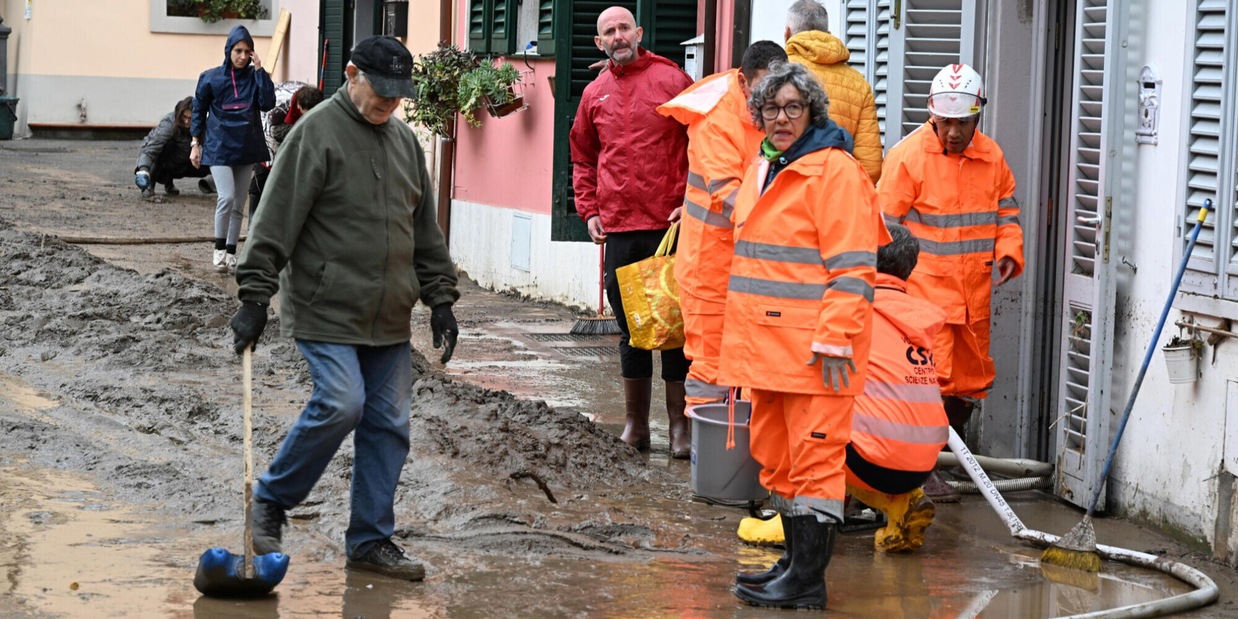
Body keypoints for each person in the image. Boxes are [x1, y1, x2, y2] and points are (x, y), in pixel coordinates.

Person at [228, 35, 460, 582]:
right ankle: (272, 499)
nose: (388, 105)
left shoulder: (405, 143)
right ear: (351, 74)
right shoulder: (315, 134)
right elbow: (274, 220)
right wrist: (255, 297)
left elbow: (424, 233)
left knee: (389, 425)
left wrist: (442, 299)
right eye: (380, 93)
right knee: (340, 402)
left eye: (397, 97)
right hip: (325, 306)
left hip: (389, 316)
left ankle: (370, 541)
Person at [718, 61, 884, 610]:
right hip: (767, 352)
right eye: (771, 108)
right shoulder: (764, 166)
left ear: (813, 111)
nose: (781, 118)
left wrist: (836, 336)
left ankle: (809, 580)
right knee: (781, 462)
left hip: (817, 354)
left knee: (815, 466)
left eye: (793, 108)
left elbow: (854, 266)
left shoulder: (835, 172)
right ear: (758, 115)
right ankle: (793, 566)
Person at [736, 224, 949, 557]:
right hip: (921, 466)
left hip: (868, 458)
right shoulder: (919, 320)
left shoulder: (849, 310)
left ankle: (787, 517)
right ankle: (902, 502)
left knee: (791, 404)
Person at [876, 63, 1024, 499]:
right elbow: (882, 228)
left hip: (972, 298)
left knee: (966, 386)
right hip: (923, 299)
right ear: (932, 116)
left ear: (977, 118)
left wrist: (1010, 248)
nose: (954, 132)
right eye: (946, 123)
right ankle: (922, 468)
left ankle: (939, 459)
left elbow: (1006, 211)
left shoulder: (992, 157)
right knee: (927, 385)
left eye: (962, 123)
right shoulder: (907, 157)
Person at [570, 6, 694, 455]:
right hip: (621, 227)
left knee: (676, 328)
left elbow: (701, 145)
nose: (619, 36)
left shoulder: (672, 81)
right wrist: (588, 211)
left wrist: (691, 201)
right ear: (599, 43)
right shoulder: (594, 94)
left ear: (638, 33)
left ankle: (680, 428)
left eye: (625, 28)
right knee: (634, 328)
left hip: (670, 226)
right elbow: (583, 158)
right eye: (609, 32)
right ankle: (636, 426)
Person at [655, 41, 788, 436]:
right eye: (764, 92)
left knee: (753, 360)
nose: (771, 103)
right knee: (711, 362)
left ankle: (745, 455)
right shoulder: (715, 119)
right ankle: (707, 455)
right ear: (744, 82)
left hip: (754, 261)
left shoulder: (778, 111)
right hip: (709, 265)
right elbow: (730, 193)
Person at [190, 24, 276, 273]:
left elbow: (267, 103)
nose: (242, 55)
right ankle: (217, 250)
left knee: (239, 204)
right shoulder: (210, 77)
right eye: (238, 50)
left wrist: (260, 70)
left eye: (247, 51)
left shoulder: (254, 76)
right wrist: (196, 144)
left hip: (246, 145)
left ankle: (230, 253)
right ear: (229, 50)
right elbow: (198, 111)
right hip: (219, 146)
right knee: (226, 197)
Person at [784, 0, 883, 184]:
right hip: (837, 195)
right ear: (828, 35)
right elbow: (871, 166)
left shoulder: (776, 73)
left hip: (786, 193)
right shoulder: (858, 83)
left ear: (787, 33)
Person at [248, 84, 325, 218]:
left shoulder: (315, 101)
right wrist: (274, 164)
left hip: (293, 128)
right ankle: (253, 221)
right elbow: (272, 136)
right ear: (299, 106)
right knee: (262, 177)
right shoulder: (277, 109)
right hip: (266, 129)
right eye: (308, 113)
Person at [133, 96, 210, 199]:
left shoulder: (203, 125)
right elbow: (152, 148)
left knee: (210, 159)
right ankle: (149, 185)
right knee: (167, 146)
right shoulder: (169, 123)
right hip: (165, 160)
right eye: (184, 117)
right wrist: (143, 170)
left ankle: (169, 182)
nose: (187, 122)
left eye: (190, 118)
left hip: (185, 161)